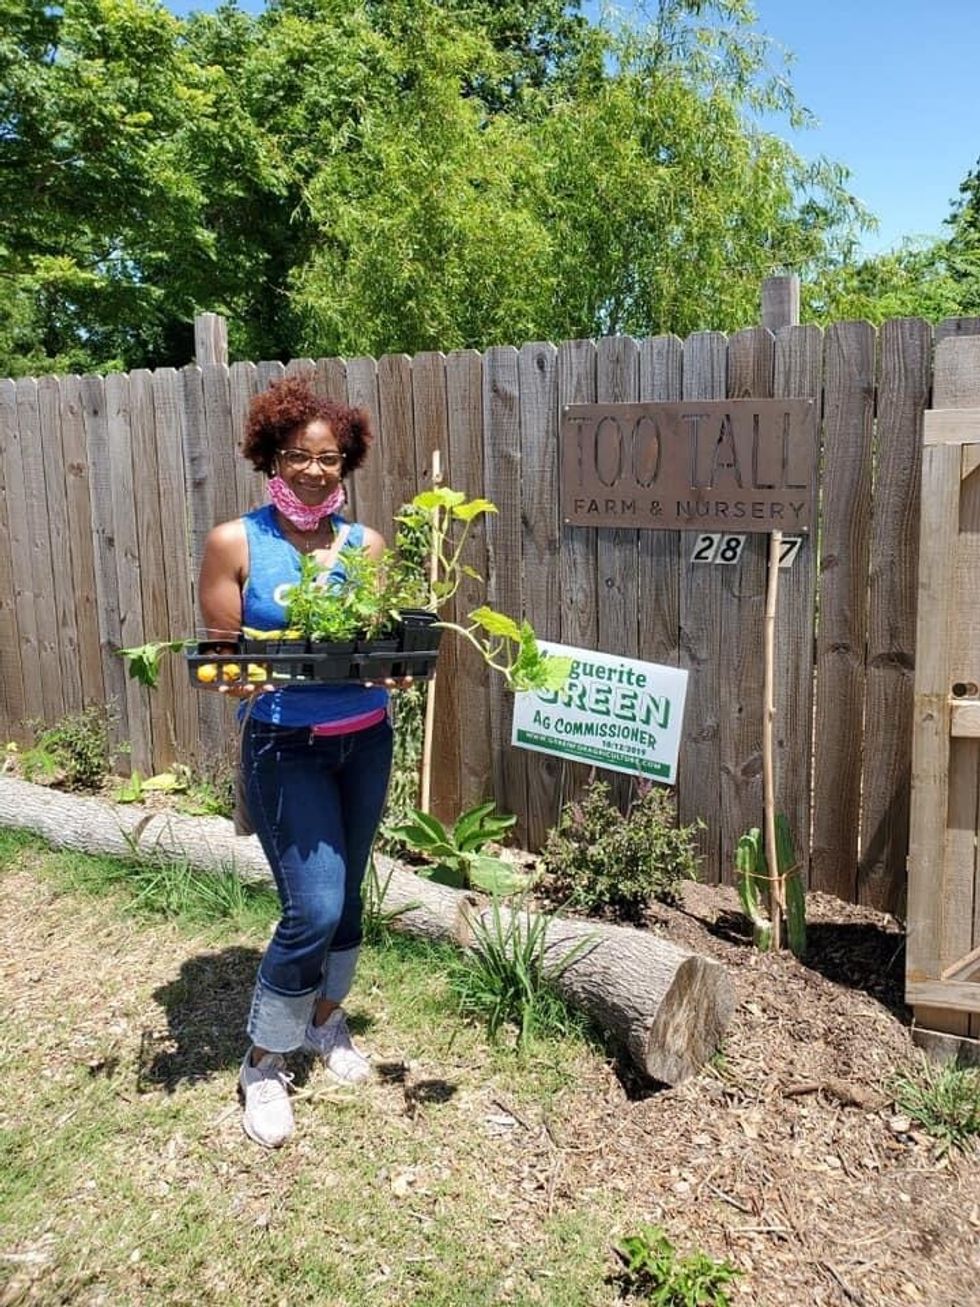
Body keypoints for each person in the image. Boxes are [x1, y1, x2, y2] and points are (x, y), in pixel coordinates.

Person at [198, 376, 405, 1148]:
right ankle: (262, 1060)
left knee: (349, 893)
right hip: (284, 742)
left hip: (366, 737)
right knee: (311, 906)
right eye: (298, 456)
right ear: (271, 458)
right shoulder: (236, 542)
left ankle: (325, 1019)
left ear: (346, 462)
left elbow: (382, 648)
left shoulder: (367, 546)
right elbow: (222, 662)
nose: (316, 470)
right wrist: (248, 669)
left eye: (330, 458)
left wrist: (397, 667)